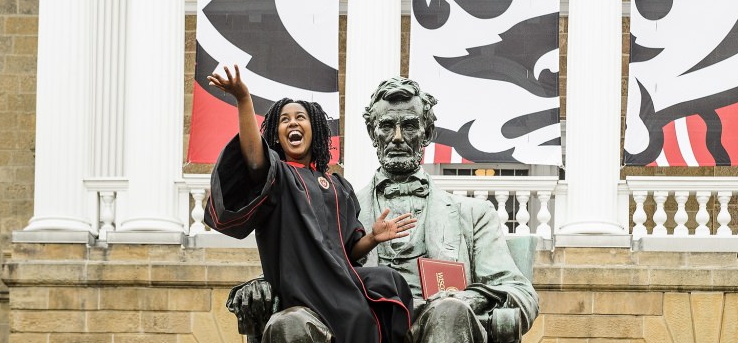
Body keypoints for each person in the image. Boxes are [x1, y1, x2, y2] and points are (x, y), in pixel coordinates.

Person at [229, 76, 539, 343]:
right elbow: (306, 259)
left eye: (410, 125)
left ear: (428, 132)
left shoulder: (473, 213)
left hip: (436, 322)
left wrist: (463, 299)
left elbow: (519, 293)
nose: (398, 137)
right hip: (359, 321)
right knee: (289, 322)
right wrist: (262, 284)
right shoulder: (341, 202)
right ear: (372, 133)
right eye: (387, 126)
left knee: (450, 312)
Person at [204, 65, 415, 343]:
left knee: (389, 282)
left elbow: (349, 252)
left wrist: (374, 237)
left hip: (339, 278)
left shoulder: (339, 186)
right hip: (302, 283)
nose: (292, 123)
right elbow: (255, 159)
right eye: (284, 120)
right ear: (276, 135)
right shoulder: (278, 175)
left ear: (313, 128)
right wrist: (244, 100)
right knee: (352, 313)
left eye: (300, 117)